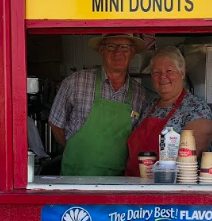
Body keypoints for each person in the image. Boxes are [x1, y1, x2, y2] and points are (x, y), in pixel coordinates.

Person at [49, 34, 149, 176]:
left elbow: (138, 140)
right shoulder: (75, 82)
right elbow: (56, 124)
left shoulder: (140, 94)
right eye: (111, 47)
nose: (118, 52)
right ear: (101, 50)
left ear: (132, 53)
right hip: (75, 178)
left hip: (118, 182)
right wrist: (77, 150)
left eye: (125, 47)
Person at [125, 46, 212, 176]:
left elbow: (189, 156)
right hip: (132, 185)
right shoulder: (149, 106)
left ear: (182, 73)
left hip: (170, 189)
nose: (163, 77)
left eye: (169, 70)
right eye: (156, 72)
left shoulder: (196, 109)